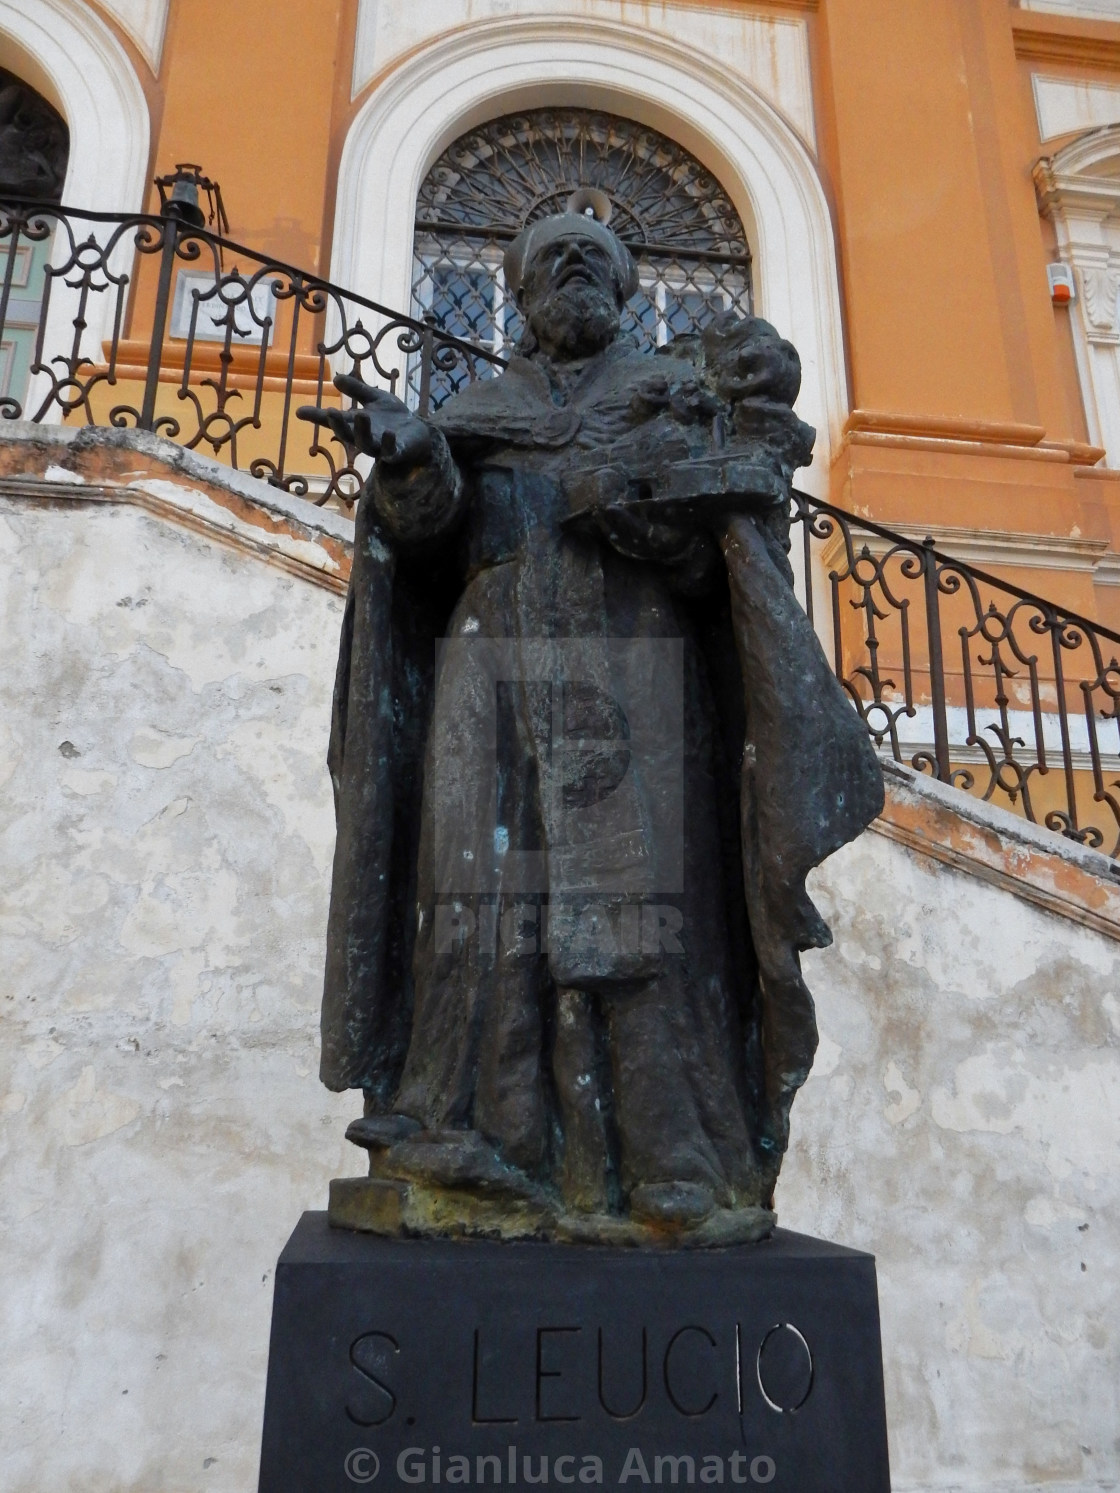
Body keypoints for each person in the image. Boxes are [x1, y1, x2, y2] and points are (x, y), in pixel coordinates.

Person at [301, 197, 881, 1239]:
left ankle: (672, 1158)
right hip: (489, 676)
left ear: (624, 292)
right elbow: (426, 546)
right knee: (480, 913)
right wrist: (409, 463)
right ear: (517, 298)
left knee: (647, 914)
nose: (572, 272)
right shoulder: (477, 407)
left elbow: (722, 559)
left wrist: (645, 517)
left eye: (593, 261)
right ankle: (471, 1131)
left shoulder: (674, 397)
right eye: (550, 261)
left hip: (632, 670)